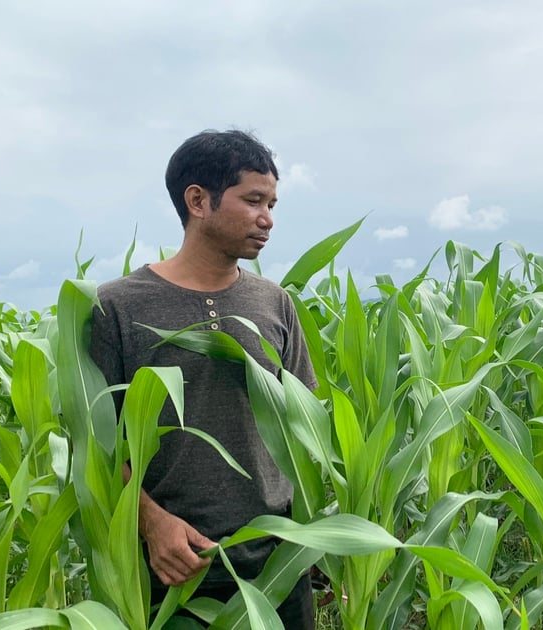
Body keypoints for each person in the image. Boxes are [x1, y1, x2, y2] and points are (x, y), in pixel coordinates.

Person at [90, 129, 318, 627]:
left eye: (273, 203)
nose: (268, 219)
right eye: (253, 200)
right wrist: (151, 524)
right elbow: (98, 444)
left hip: (279, 565)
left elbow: (308, 428)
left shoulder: (274, 303)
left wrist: (312, 536)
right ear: (198, 200)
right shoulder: (118, 306)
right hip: (175, 568)